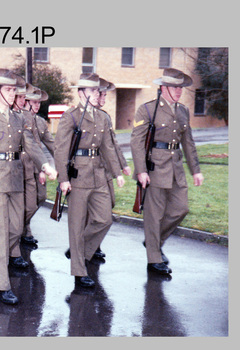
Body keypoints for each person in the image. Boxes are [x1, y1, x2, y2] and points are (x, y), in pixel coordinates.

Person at [0, 68, 57, 305]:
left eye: (14, 90)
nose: (13, 94)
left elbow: (32, 145)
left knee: (16, 230)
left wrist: (45, 165)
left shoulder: (20, 118)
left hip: (16, 178)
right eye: (8, 90)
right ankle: (2, 287)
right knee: (1, 231)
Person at [54, 73, 124, 289]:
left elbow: (108, 148)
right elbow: (60, 150)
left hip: (99, 177)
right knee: (75, 226)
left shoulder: (102, 117)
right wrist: (63, 178)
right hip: (78, 176)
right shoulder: (71, 117)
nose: (96, 94)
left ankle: (80, 251)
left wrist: (117, 172)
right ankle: (78, 271)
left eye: (97, 91)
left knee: (104, 219)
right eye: (92, 91)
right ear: (81, 93)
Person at [130, 68, 204, 275]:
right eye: (174, 87)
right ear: (163, 88)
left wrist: (195, 170)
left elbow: (188, 142)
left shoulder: (183, 111)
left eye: (180, 87)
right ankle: (154, 259)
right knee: (154, 215)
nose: (179, 91)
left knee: (181, 209)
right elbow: (136, 142)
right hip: (154, 168)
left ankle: (154, 241)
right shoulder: (147, 110)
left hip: (176, 169)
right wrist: (141, 171)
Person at [21, 86, 55, 246]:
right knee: (27, 204)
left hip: (38, 168)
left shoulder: (41, 122)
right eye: (34, 102)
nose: (37, 106)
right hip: (22, 169)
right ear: (25, 102)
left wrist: (64, 159)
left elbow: (51, 144)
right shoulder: (19, 119)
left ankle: (21, 225)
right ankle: (23, 229)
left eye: (38, 103)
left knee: (41, 198)